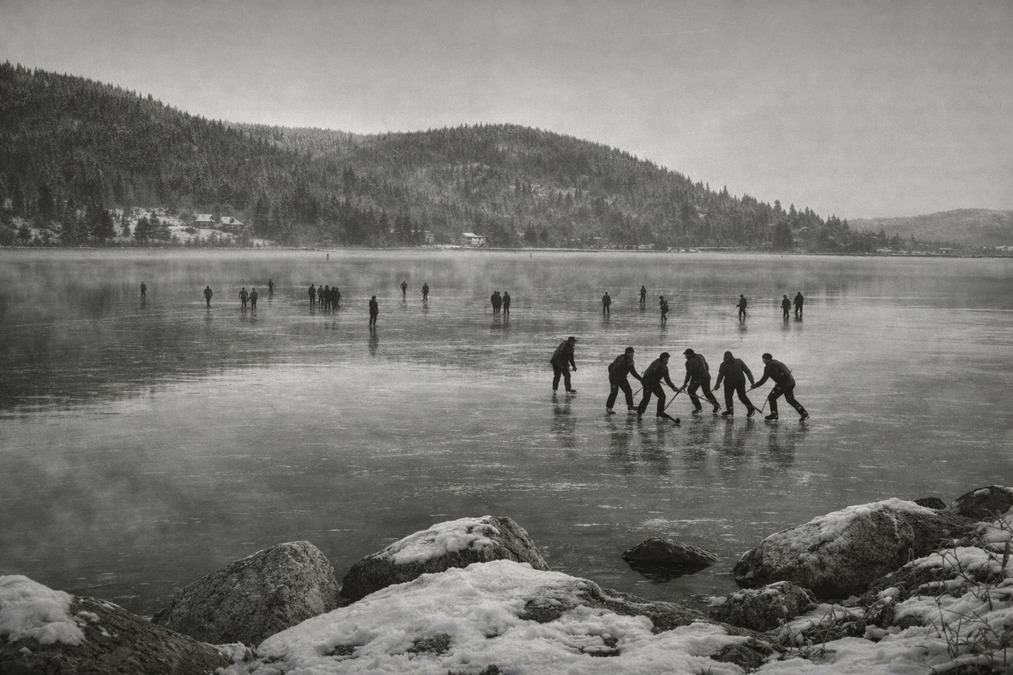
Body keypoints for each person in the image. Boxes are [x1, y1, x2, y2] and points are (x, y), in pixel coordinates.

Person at [750, 353, 809, 421]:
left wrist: (754, 386)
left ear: (765, 359)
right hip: (791, 382)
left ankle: (774, 414)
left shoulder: (768, 366)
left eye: (763, 360)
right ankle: (804, 413)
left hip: (784, 384)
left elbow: (763, 380)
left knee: (772, 397)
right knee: (790, 399)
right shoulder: (777, 362)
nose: (763, 361)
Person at [636, 352, 679, 422]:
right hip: (648, 383)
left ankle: (660, 412)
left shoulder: (665, 367)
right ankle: (639, 413)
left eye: (668, 358)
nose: (667, 360)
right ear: (662, 358)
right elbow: (647, 373)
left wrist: (673, 387)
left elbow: (667, 379)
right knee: (646, 399)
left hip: (655, 384)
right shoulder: (656, 363)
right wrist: (644, 382)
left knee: (662, 397)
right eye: (666, 358)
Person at [713, 351, 756, 417]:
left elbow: (720, 376)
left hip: (733, 382)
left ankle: (748, 409)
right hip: (736, 382)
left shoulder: (725, 364)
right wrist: (717, 384)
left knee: (733, 396)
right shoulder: (738, 361)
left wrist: (717, 385)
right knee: (735, 396)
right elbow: (747, 371)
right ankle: (732, 410)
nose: (726, 359)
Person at [679, 348, 721, 414]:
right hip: (706, 376)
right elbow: (706, 366)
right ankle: (716, 405)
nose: (685, 357)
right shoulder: (700, 356)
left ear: (689, 355)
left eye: (686, 355)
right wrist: (705, 373)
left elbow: (688, 374)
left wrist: (684, 384)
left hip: (698, 378)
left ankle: (698, 408)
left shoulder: (689, 362)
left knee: (690, 391)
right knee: (707, 392)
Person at [606, 347, 643, 414]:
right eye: (631, 353)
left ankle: (630, 407)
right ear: (627, 353)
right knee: (614, 392)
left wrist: (641, 379)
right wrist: (614, 378)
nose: (632, 354)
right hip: (614, 378)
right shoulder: (620, 358)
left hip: (622, 378)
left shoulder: (631, 362)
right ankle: (609, 408)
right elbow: (612, 367)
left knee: (628, 391)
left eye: (633, 353)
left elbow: (633, 372)